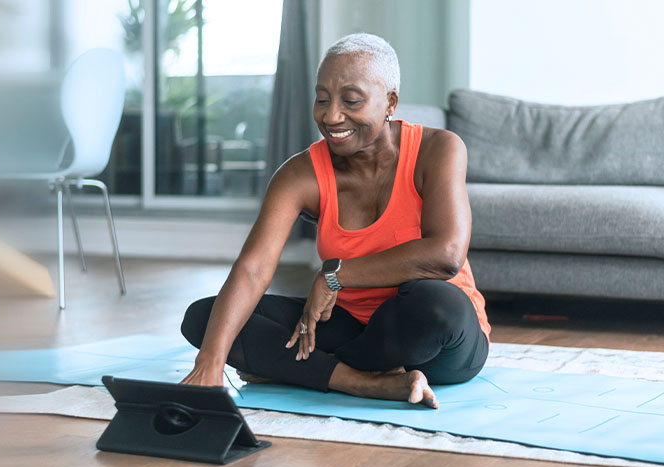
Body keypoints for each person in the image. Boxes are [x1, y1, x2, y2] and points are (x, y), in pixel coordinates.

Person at [180, 33, 490, 409]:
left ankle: (305, 370)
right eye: (322, 99)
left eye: (351, 101)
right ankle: (362, 382)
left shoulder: (438, 148)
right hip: (348, 324)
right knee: (206, 319)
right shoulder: (300, 174)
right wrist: (210, 363)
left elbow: (447, 254)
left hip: (433, 339)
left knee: (437, 303)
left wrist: (336, 275)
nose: (331, 116)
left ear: (390, 101)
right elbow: (253, 269)